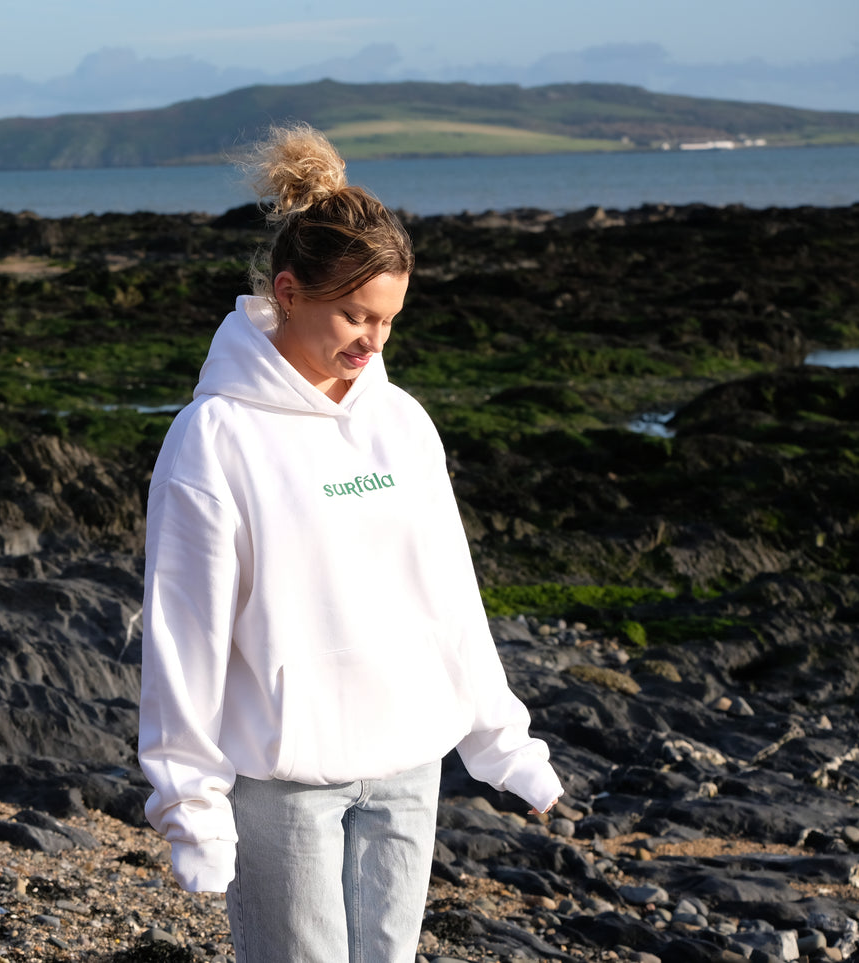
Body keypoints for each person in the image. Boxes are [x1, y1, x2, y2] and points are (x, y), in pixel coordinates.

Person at [137, 123, 563, 963]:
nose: (371, 343)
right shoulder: (214, 437)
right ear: (287, 292)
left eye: (389, 321)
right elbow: (183, 634)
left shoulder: (400, 423)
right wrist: (191, 807)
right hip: (284, 783)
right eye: (354, 316)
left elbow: (447, 593)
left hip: (408, 767)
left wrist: (502, 742)